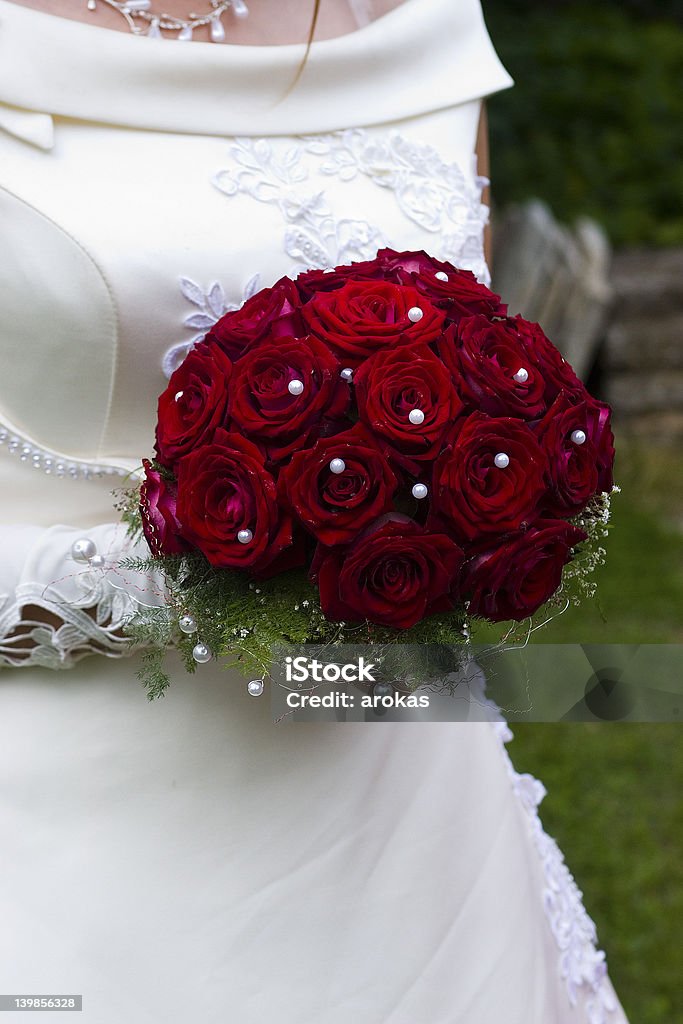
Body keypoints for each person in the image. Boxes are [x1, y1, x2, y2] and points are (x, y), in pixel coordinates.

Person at [0, 0, 630, 1020]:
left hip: (410, 818)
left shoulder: (421, 31)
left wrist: (470, 513)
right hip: (77, 829)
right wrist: (208, 569)